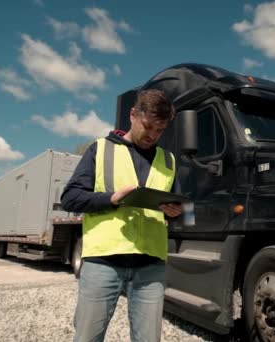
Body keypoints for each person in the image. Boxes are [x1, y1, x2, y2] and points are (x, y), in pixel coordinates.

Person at [61, 89, 183, 342]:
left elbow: (180, 211)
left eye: (160, 130)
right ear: (133, 115)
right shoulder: (100, 149)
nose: (152, 135)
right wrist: (111, 198)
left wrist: (176, 213)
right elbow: (70, 198)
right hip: (102, 261)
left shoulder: (169, 160)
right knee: (87, 337)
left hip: (150, 265)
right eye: (148, 126)